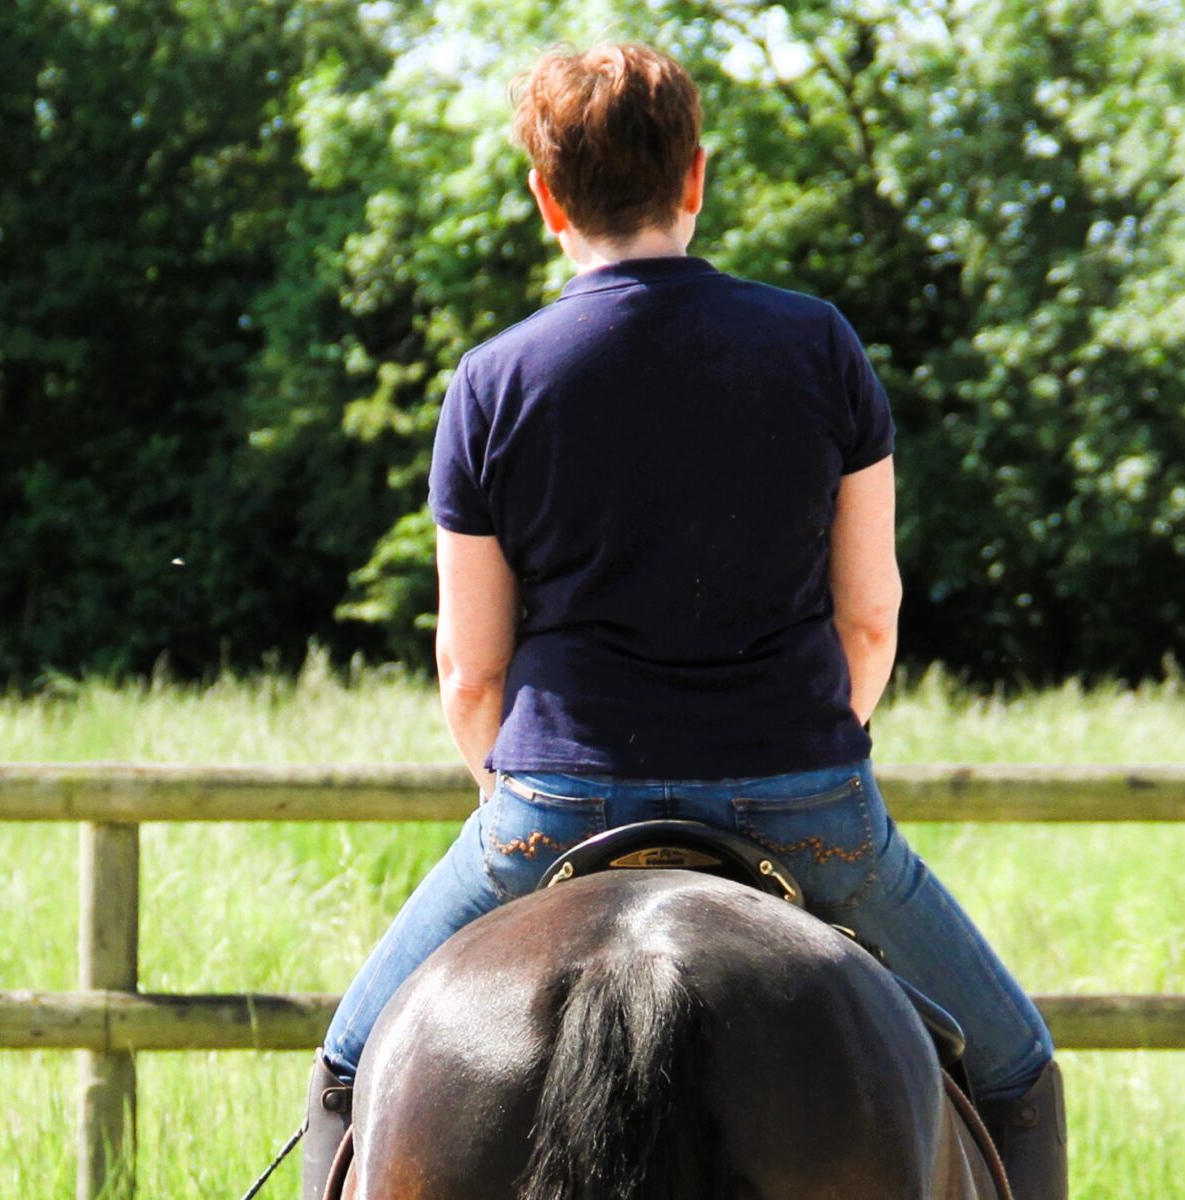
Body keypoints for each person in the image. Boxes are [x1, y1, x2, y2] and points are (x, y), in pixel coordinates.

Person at [302, 41, 1067, 1198]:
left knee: (351, 1068)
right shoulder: (818, 346)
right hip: (801, 797)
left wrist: (518, 796)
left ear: (544, 195)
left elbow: (468, 671)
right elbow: (868, 618)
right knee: (1016, 1067)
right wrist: (798, 767)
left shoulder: (491, 381)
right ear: (694, 179)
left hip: (552, 801)